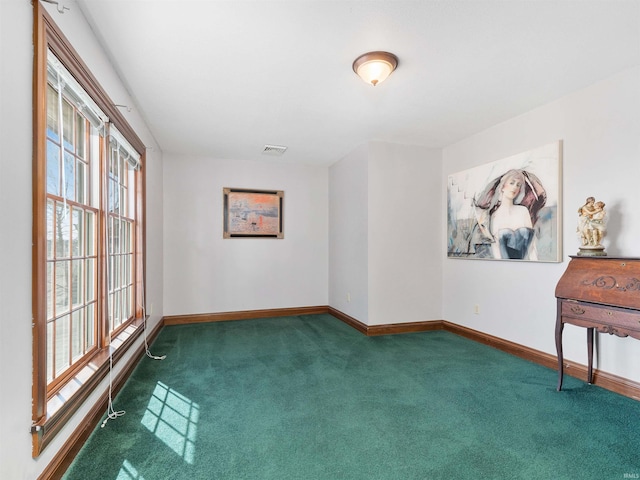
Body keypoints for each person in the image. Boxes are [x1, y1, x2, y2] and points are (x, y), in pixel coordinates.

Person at [474, 169, 547, 260]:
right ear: (503, 186)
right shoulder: (494, 216)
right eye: (512, 183)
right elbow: (496, 249)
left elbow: (532, 246)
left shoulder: (523, 211)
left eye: (518, 185)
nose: (515, 188)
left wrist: (536, 265)